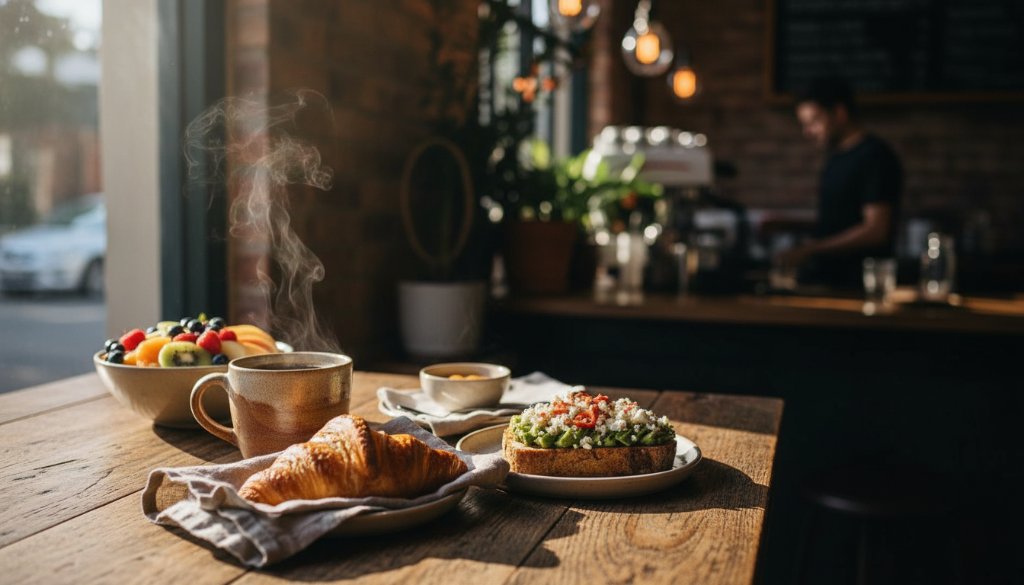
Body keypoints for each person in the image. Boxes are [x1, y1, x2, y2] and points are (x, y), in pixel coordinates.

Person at [778, 77, 903, 288]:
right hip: (828, 280)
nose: (808, 132)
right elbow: (840, 222)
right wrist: (787, 224)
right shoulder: (836, 158)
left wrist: (810, 250)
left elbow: (876, 230)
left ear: (839, 113)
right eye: (805, 125)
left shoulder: (875, 156)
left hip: (858, 286)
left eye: (814, 122)